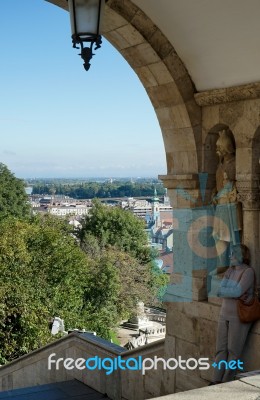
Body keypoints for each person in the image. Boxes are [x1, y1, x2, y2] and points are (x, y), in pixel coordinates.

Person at [211, 244, 254, 384]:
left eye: (234, 254)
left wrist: (230, 292)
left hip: (238, 316)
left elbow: (237, 291)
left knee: (233, 352)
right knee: (220, 350)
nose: (231, 257)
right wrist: (232, 292)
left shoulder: (248, 272)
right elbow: (219, 290)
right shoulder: (230, 271)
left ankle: (225, 382)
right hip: (224, 313)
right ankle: (215, 380)